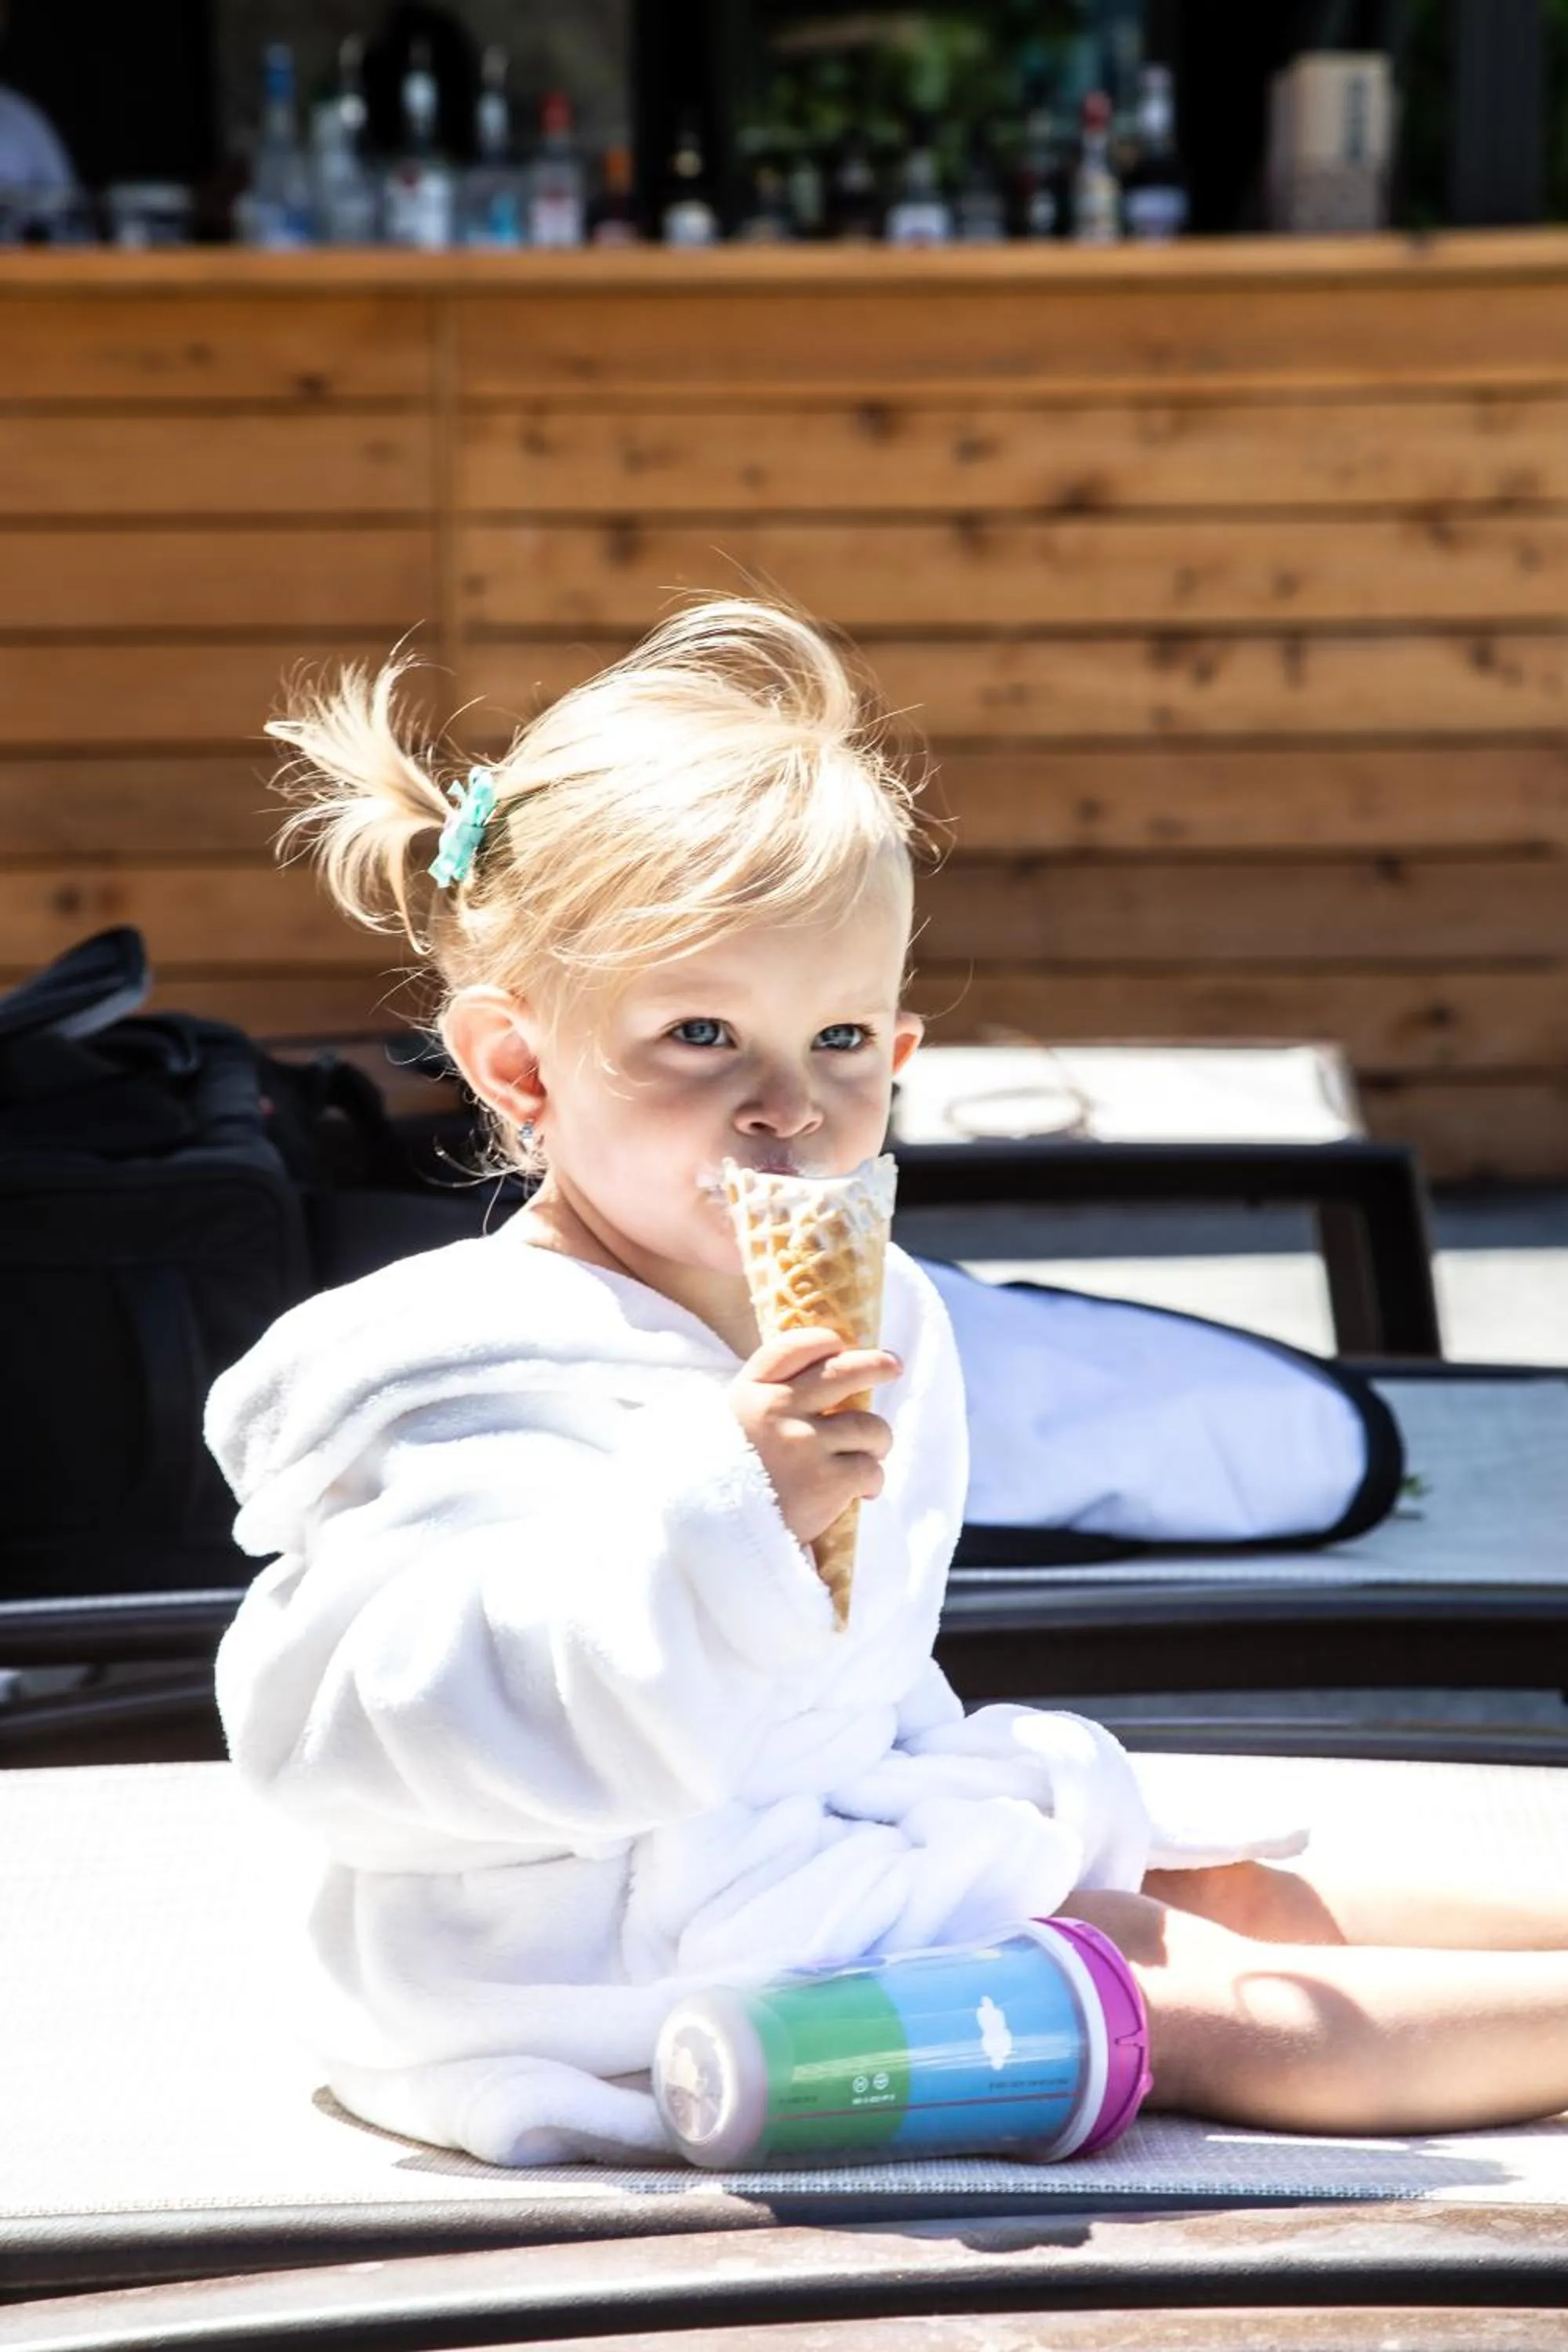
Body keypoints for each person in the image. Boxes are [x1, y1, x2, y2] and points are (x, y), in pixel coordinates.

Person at [208, 598, 1568, 2169]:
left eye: (840, 1037)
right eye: (702, 1036)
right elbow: (352, 1730)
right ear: (521, 1070)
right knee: (1184, 1991)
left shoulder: (881, 1310)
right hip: (603, 1954)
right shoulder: (451, 1373)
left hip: (816, 1851)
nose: (788, 1106)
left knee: (1212, 1884)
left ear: (903, 1047)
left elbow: (854, 1676)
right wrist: (722, 1515)